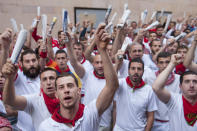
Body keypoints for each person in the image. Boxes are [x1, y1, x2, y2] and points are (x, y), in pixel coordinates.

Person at [38, 23, 119, 131]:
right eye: (61, 87)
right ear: (56, 94)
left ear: (78, 91)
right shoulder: (46, 127)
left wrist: (102, 50)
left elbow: (112, 86)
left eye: (70, 86)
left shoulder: (90, 114)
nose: (66, 90)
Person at [2, 66, 58, 131]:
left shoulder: (67, 99)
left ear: (58, 81)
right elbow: (10, 102)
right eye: (44, 79)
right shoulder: (34, 100)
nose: (48, 82)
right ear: (41, 84)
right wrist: (9, 79)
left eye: (51, 78)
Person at [152, 54, 197, 131]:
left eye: (195, 82)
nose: (191, 85)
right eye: (187, 82)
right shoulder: (174, 100)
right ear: (180, 86)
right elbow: (156, 87)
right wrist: (172, 64)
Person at [113, 57, 157, 131]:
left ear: (143, 71)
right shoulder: (120, 83)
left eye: (139, 69)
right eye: (133, 68)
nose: (136, 71)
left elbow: (150, 116)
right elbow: (111, 82)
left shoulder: (148, 90)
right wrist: (117, 64)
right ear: (128, 70)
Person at [143, 52, 181, 131]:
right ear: (156, 64)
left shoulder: (179, 79)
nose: (164, 65)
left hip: (173, 121)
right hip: (155, 122)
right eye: (161, 62)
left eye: (167, 62)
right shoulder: (149, 78)